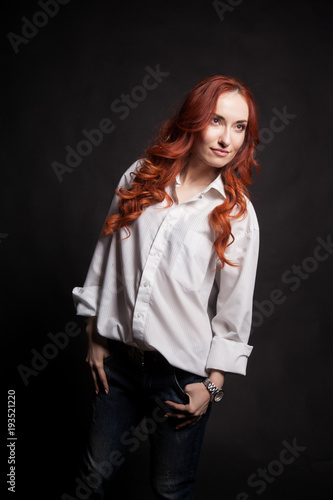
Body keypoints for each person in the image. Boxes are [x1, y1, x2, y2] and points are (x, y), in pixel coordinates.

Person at [72, 75, 260, 500]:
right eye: (217, 120)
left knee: (169, 489)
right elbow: (106, 257)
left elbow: (234, 310)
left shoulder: (238, 214)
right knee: (92, 476)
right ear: (194, 119)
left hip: (180, 378)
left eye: (239, 127)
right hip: (117, 365)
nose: (227, 138)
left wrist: (212, 386)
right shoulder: (140, 176)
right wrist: (92, 332)